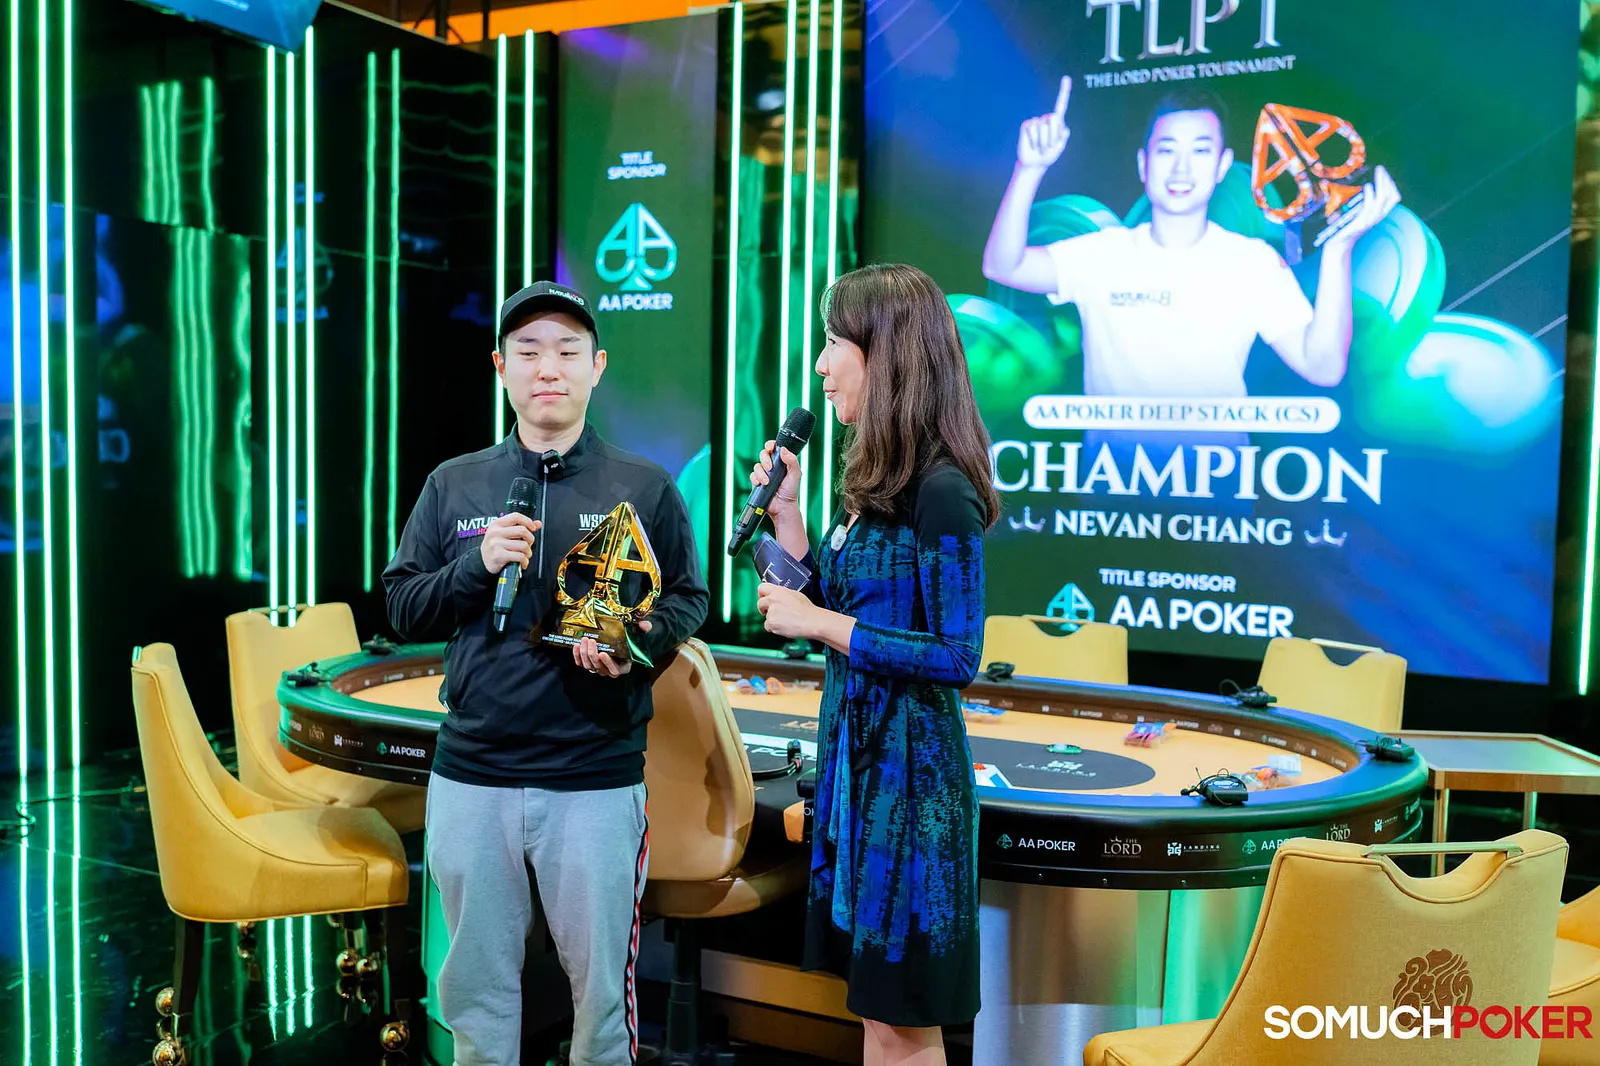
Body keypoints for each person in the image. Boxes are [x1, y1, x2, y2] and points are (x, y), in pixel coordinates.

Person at [383, 280, 708, 1066]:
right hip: (473, 774)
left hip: (593, 776)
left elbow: (688, 600)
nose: (548, 368)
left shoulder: (643, 486)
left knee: (601, 1002)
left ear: (598, 366)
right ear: (501, 368)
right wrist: (477, 566)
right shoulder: (454, 482)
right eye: (528, 352)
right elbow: (402, 606)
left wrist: (636, 642)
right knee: (474, 994)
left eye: (567, 351)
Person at [750, 263, 1000, 1066]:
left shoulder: (943, 490)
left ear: (887, 355)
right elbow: (836, 603)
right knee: (874, 1016)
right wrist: (788, 519)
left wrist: (820, 622)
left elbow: (958, 654)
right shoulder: (874, 483)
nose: (821, 366)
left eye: (835, 344)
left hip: (912, 789)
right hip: (858, 779)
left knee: (901, 1021)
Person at [983, 80, 1401, 399]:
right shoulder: (1103, 253)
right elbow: (1003, 266)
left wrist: (1338, 250)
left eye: (1200, 151)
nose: (1181, 168)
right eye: (1167, 150)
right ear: (1144, 164)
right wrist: (1029, 168)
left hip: (1216, 487)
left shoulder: (1252, 263)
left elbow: (1323, 368)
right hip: (1111, 487)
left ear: (1222, 166)